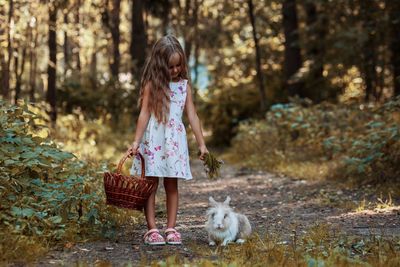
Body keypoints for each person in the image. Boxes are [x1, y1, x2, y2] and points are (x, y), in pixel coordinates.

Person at [126, 35, 209, 245]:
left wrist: (202, 144)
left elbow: (192, 116)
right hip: (153, 141)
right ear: (160, 64)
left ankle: (171, 228)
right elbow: (144, 114)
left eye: (178, 65)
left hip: (173, 144)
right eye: (170, 66)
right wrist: (136, 142)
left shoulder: (184, 87)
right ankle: (152, 229)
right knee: (150, 185)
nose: (175, 70)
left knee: (172, 185)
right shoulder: (152, 86)